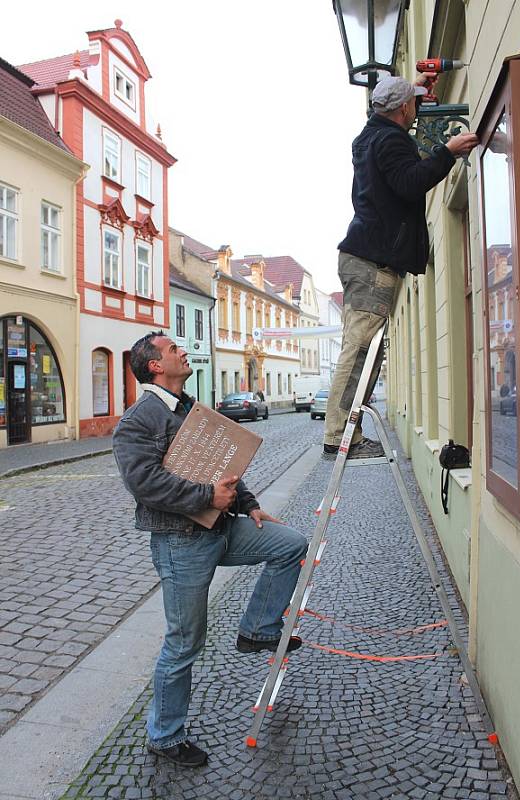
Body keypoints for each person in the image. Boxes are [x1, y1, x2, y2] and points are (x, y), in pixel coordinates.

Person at [112, 331, 307, 768]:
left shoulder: (190, 410)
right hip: (181, 544)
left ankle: (258, 628)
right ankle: (164, 736)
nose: (183, 351)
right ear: (155, 366)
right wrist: (206, 496)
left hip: (222, 528)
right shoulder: (138, 420)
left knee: (291, 544)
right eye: (172, 349)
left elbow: (224, 468)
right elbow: (143, 484)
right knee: (184, 644)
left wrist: (250, 504)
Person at [323, 75, 479, 460]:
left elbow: (391, 114)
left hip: (364, 257)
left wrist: (413, 87)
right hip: (373, 263)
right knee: (360, 349)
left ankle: (343, 433)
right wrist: (447, 152)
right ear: (406, 108)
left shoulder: (370, 135)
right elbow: (410, 183)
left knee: (363, 349)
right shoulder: (391, 139)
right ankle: (339, 436)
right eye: (412, 103)